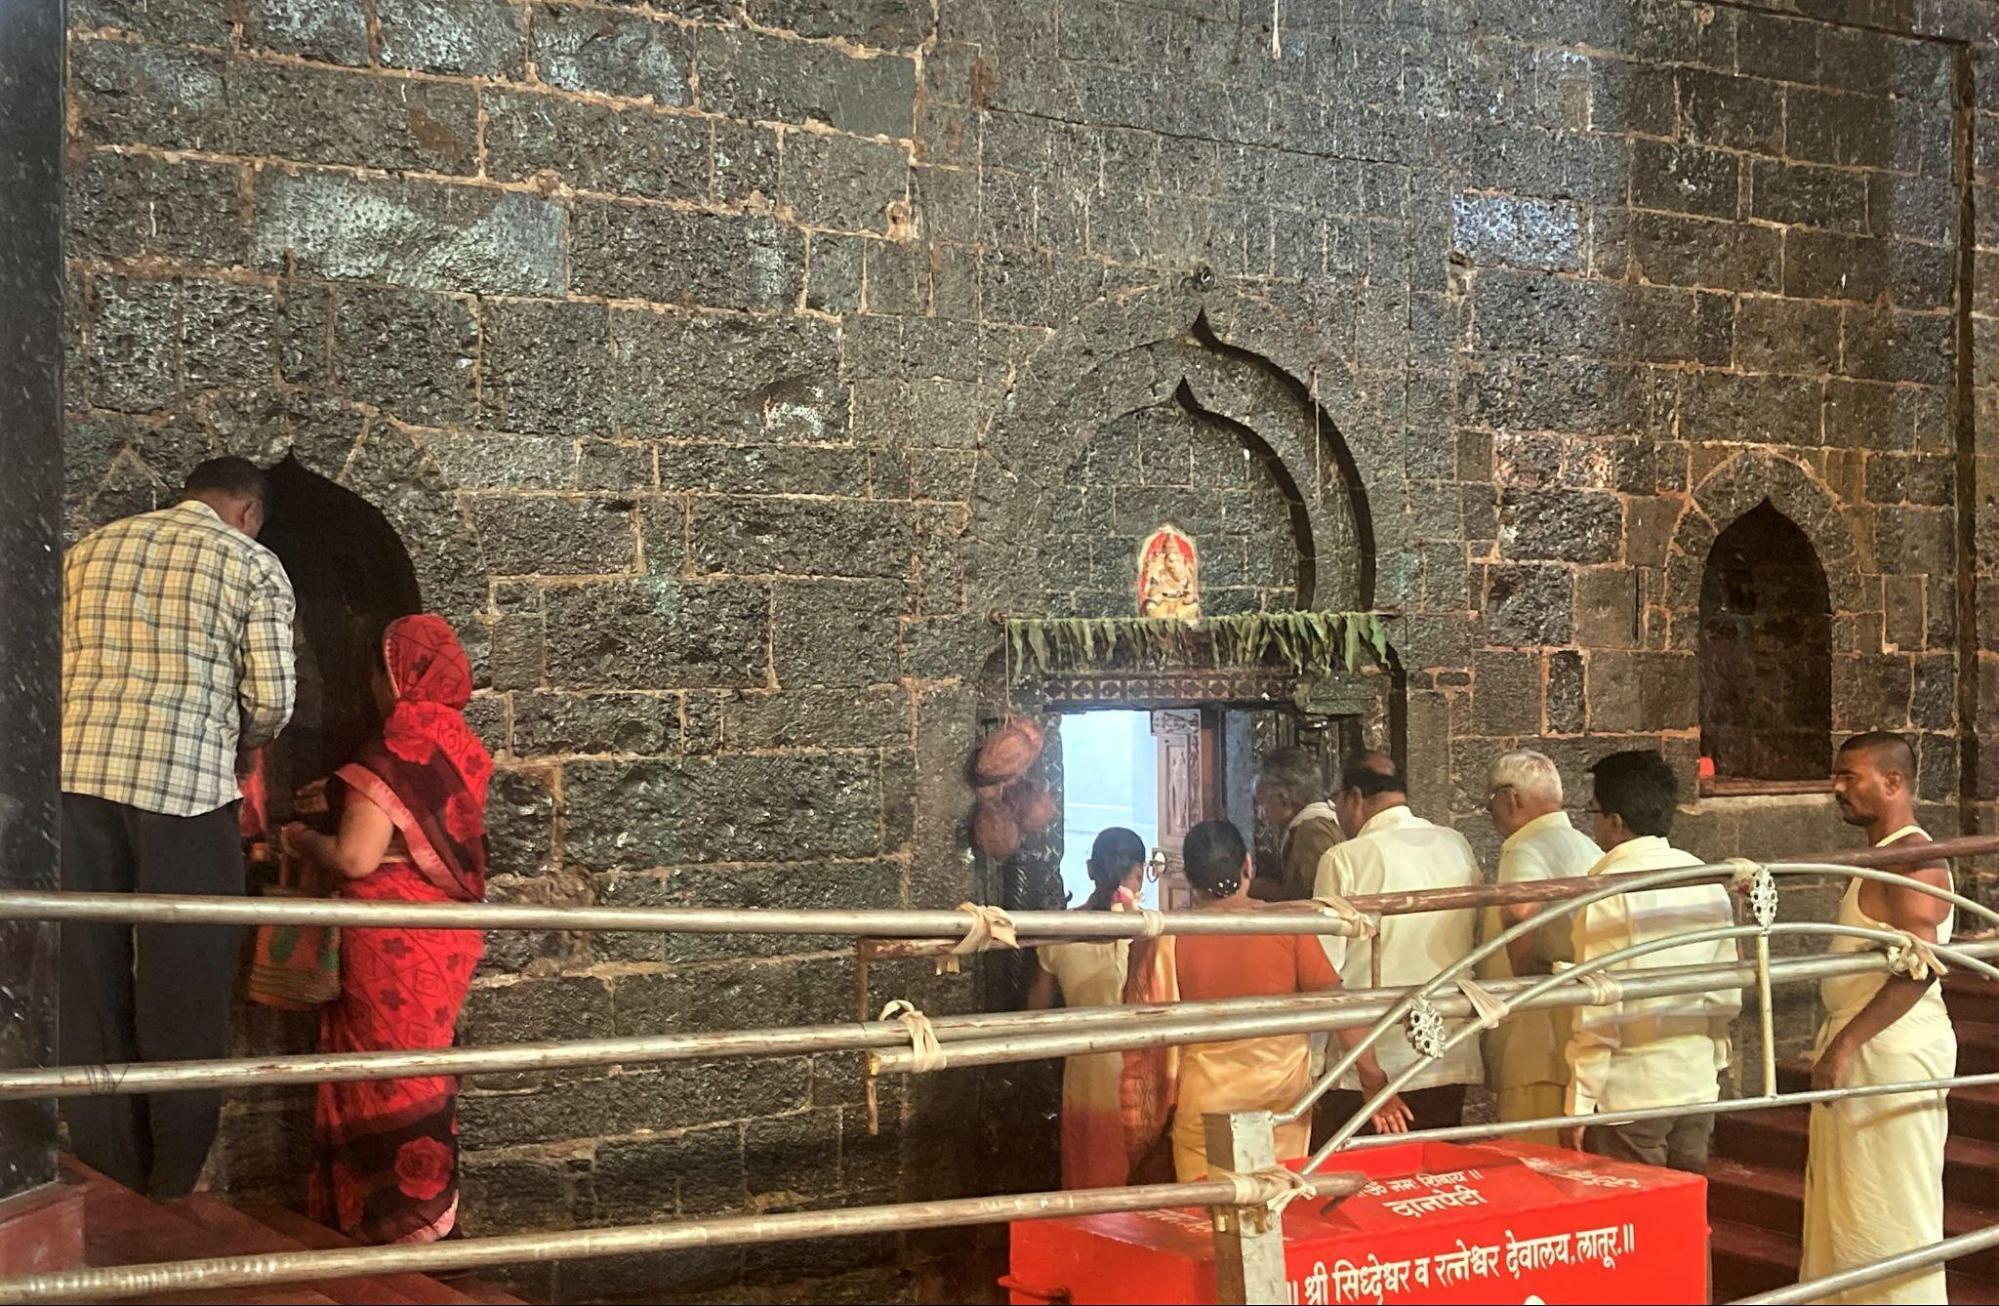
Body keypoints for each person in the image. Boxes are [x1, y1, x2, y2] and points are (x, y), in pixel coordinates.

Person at [58, 457, 296, 1198]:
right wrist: (234, 738)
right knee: (184, 988)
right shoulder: (250, 563)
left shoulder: (88, 550)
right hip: (183, 793)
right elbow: (272, 700)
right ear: (248, 511)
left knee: (85, 984)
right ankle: (170, 1184)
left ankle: (108, 1171)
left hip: (72, 783)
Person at [282, 615, 491, 1245]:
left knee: (383, 1072)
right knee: (423, 1065)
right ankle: (431, 1214)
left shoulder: (394, 749)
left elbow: (356, 859)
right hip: (448, 936)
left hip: (392, 939)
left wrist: (301, 839)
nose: (374, 683)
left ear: (398, 676)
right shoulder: (461, 747)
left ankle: (392, 1227)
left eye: (379, 669)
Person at [1800, 733, 1957, 1303]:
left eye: (1850, 777)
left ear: (1893, 783)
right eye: (1837, 776)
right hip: (1869, 1047)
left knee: (1888, 1210)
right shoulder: (1885, 853)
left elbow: (1922, 967)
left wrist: (1844, 1045)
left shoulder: (1913, 859)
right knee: (1848, 1206)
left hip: (1889, 1051)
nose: (1837, 788)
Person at [1559, 750, 1738, 1173]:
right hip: (1694, 1080)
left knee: (1637, 1221)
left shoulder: (1608, 888)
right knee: (1689, 1220)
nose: (1594, 822)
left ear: (1615, 821)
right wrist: (1712, 1064)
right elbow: (1724, 992)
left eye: (1594, 811)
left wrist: (1580, 1102)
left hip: (1630, 1093)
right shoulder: (1703, 877)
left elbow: (1598, 1007)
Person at [1312, 752, 1482, 1144]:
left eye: (1336, 800)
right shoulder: (1456, 845)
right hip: (1448, 1048)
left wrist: (1367, 1073)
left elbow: (1325, 972)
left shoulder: (1345, 858)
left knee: (1364, 1191)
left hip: (1373, 1061)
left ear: (1354, 797)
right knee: (1439, 1186)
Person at [1169, 820, 1341, 1180]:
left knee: (1205, 1217)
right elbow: (1336, 1004)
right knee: (1276, 1205)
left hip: (1203, 1098)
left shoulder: (1167, 935)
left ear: (1187, 875)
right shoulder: (1285, 923)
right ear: (1248, 864)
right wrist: (1372, 1075)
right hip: (1279, 1101)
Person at [1027, 827, 1164, 1189]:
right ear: (1139, 873)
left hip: (1083, 1067)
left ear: (1090, 869)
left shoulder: (1060, 930)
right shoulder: (1149, 932)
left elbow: (1036, 1008)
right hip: (1137, 1068)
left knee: (1087, 1174)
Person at [1477, 750, 1602, 1145]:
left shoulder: (1524, 847)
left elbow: (1520, 910)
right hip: (1576, 1027)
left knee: (1533, 1155)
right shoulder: (1585, 845)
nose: (1491, 813)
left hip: (1535, 1035)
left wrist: (1523, 975)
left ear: (1510, 799)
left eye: (1491, 802)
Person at [1248, 747, 1343, 902]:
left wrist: (1259, 889)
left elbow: (1312, 901)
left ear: (1284, 800)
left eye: (1263, 803)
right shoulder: (1315, 824)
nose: (1261, 814)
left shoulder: (1312, 832)